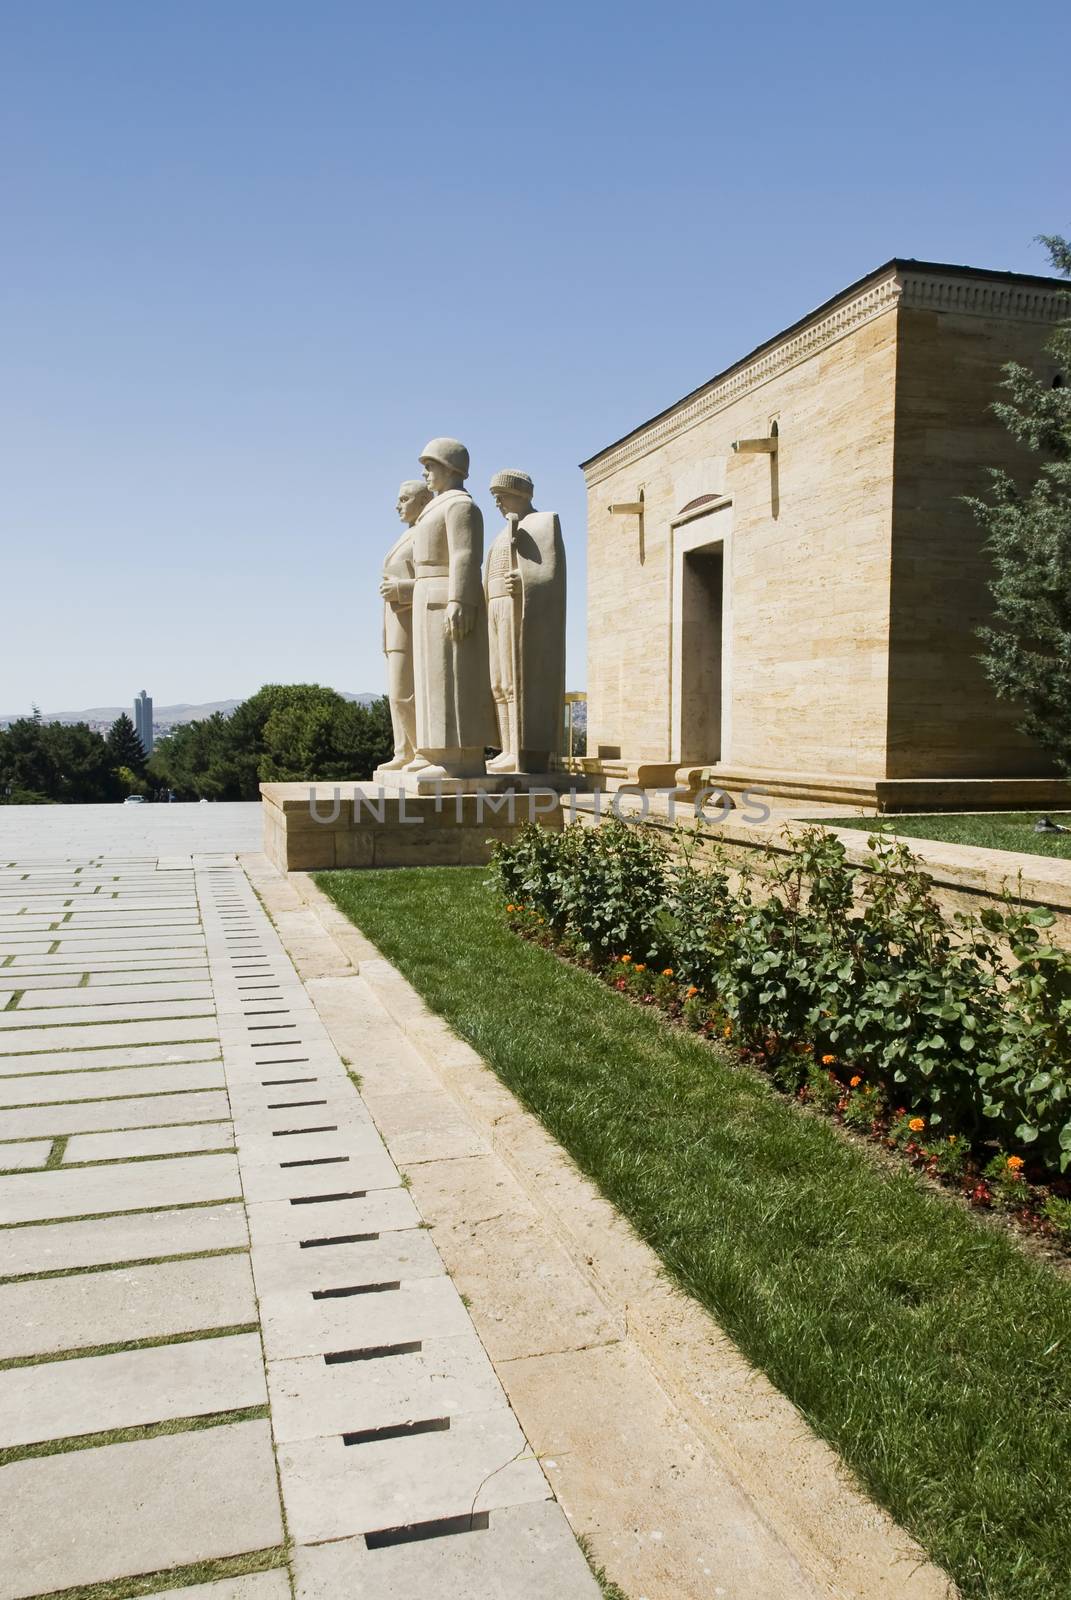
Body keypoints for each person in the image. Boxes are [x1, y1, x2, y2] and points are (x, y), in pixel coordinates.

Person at [407, 438, 496, 778]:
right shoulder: (439, 505)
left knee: (453, 676)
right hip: (427, 592)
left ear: (450, 467)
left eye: (430, 466)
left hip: (447, 592)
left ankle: (460, 758)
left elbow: (465, 554)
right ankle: (436, 752)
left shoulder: (462, 506)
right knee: (433, 676)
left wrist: (460, 598)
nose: (425, 473)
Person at [485, 469, 566, 772]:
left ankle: (521, 751)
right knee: (498, 683)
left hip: (515, 608)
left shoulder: (543, 522)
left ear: (518, 493)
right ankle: (507, 748)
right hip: (494, 606)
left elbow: (552, 573)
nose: (498, 503)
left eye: (500, 496)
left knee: (514, 682)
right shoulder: (500, 534)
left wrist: (523, 579)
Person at [378, 478, 431, 769]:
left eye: (405, 499)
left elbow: (433, 579)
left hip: (413, 623)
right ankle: (404, 751)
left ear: (423, 501)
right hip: (395, 624)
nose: (398, 505)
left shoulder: (424, 534)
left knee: (405, 694)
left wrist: (401, 590)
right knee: (396, 694)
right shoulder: (407, 536)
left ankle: (421, 751)